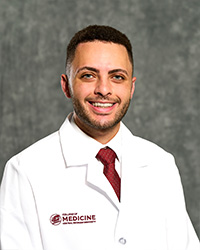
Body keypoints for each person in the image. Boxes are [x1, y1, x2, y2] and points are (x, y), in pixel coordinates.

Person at [0, 25, 199, 250]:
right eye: (88, 75)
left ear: (131, 88)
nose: (104, 89)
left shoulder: (160, 164)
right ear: (66, 86)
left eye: (117, 77)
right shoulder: (25, 171)